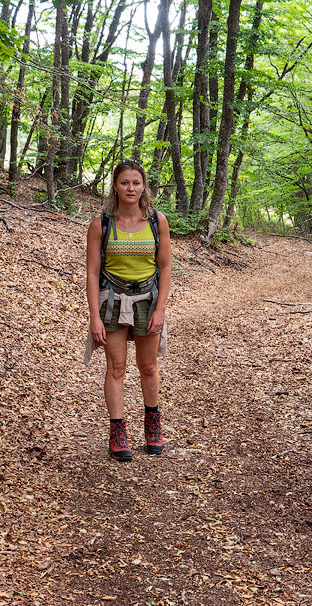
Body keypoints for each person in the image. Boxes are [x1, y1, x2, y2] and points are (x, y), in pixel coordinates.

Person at [85, 159, 172, 462]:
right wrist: (94, 316)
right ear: (115, 186)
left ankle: (152, 425)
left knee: (148, 367)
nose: (130, 188)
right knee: (116, 368)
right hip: (112, 299)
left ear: (144, 186)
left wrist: (161, 309)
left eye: (136, 182)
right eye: (124, 182)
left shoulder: (157, 221)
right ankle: (118, 431)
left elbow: (165, 267)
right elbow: (92, 272)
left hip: (147, 298)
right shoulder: (101, 224)